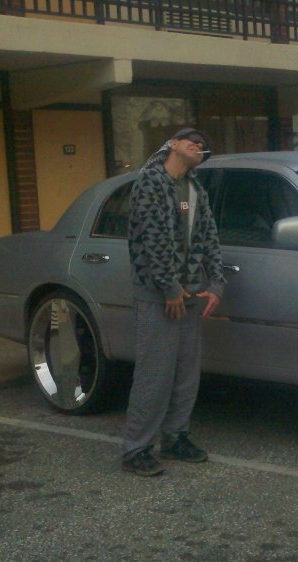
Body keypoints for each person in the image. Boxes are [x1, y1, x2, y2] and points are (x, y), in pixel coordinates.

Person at [121, 128, 226, 477]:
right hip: (159, 297)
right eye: (191, 139)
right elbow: (153, 238)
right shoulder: (150, 182)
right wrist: (169, 288)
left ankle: (175, 437)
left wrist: (216, 282)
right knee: (154, 375)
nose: (199, 145)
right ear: (173, 145)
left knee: (185, 374)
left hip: (191, 294)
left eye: (203, 144)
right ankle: (136, 448)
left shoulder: (195, 189)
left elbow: (209, 237)